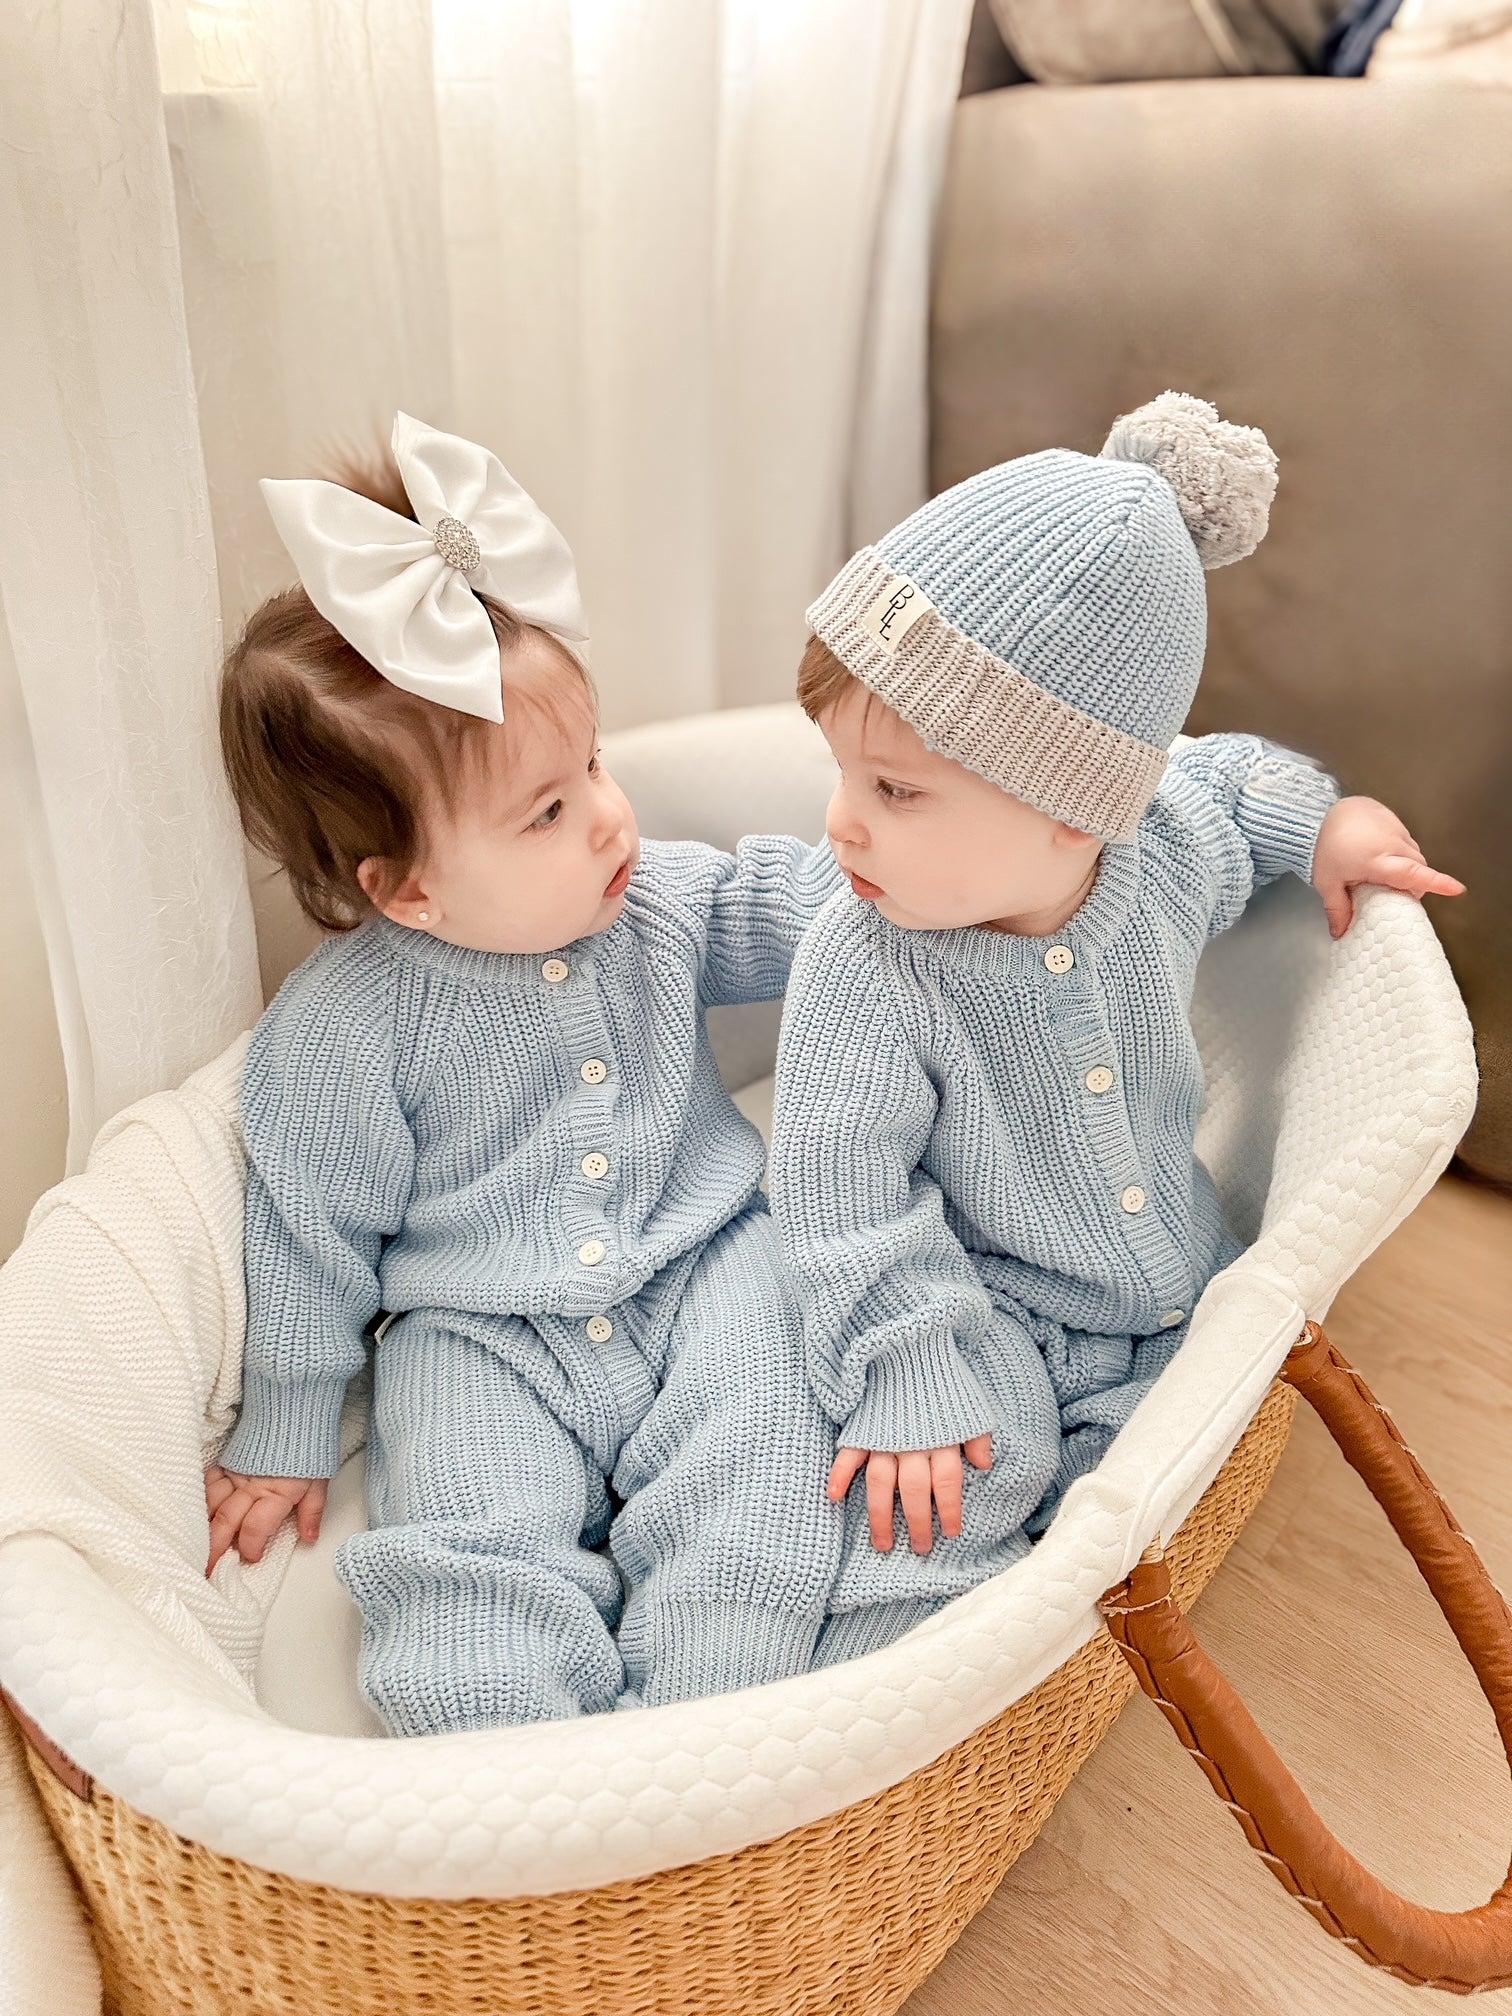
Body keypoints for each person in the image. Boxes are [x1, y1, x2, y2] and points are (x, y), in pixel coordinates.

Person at [768, 392, 1465, 1667]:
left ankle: (1074, 1624)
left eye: (894, 791)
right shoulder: (866, 967)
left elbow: (1227, 778)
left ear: (1070, 814)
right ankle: (876, 1703)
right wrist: (908, 1368)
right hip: (986, 1305)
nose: (842, 826)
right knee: (937, 1494)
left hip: (1172, 1283)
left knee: (1167, 1472)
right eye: (843, 775)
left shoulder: (1158, 849)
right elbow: (837, 1189)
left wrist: (1331, 822)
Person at [205, 415, 842, 1733]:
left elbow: (796, 905)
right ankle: (513, 1772)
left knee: (765, 1462)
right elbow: (309, 1236)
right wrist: (285, 1419)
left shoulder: (659, 899)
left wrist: (917, 881)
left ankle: (714, 1730)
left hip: (709, 1262)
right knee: (458, 1553)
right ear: (410, 890)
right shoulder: (342, 1032)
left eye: (594, 763)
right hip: (478, 1333)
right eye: (547, 811)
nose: (611, 813)